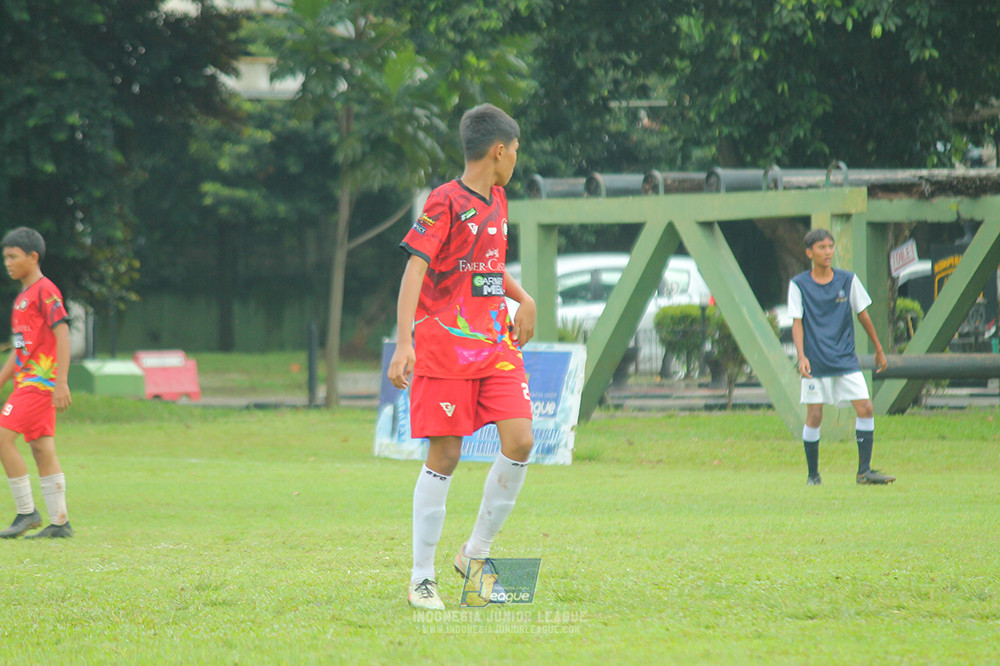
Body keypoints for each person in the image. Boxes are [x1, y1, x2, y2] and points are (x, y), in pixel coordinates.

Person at [387, 104, 536, 610]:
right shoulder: (444, 200)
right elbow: (414, 269)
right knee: (446, 456)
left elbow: (485, 270)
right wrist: (405, 340)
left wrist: (524, 298)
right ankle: (421, 576)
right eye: (515, 150)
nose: (516, 159)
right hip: (444, 346)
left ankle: (475, 554)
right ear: (498, 150)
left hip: (495, 345)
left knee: (521, 440)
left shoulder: (499, 199)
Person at [788, 228, 896, 486]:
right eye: (822, 247)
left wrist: (879, 349)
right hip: (816, 362)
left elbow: (863, 315)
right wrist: (801, 356)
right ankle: (813, 475)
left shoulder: (848, 280)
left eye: (830, 246)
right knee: (815, 416)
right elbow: (797, 323)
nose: (828, 252)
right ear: (809, 252)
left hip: (845, 360)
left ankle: (864, 472)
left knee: (866, 408)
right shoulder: (799, 284)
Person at [0, 227, 74, 538]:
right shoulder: (21, 299)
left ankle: (27, 512)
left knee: (2, 439)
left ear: (33, 257)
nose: (8, 263)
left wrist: (61, 382)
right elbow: (19, 352)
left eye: (13, 256)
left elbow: (63, 334)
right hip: (26, 383)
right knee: (42, 449)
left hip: (40, 383)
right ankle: (60, 523)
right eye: (5, 257)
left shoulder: (46, 291)